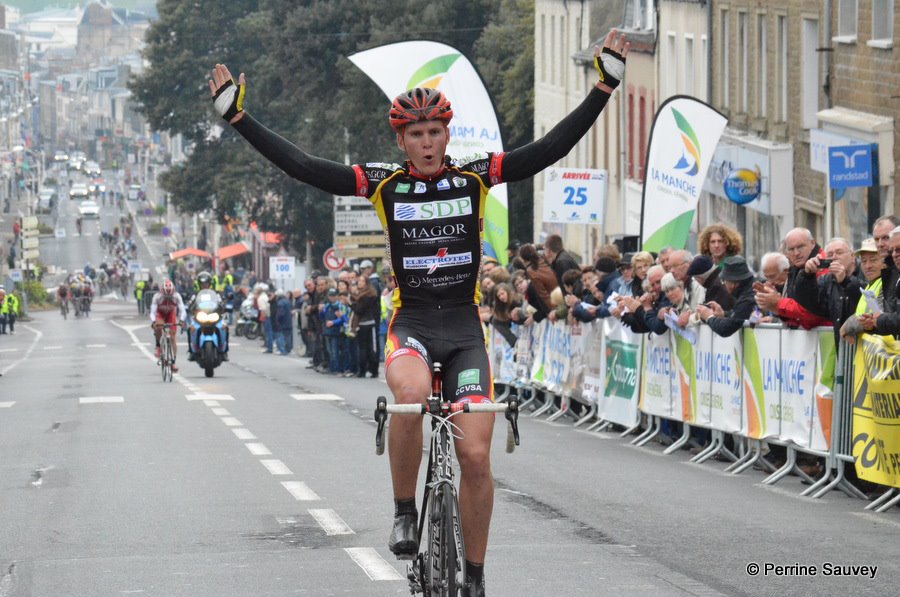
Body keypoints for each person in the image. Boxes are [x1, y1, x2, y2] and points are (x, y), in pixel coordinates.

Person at [210, 30, 628, 595]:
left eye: (435, 132)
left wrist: (603, 86)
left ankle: (474, 575)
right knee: (409, 401)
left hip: (463, 329)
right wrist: (238, 118)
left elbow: (549, 149)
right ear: (401, 140)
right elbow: (303, 165)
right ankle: (405, 509)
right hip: (412, 324)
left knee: (476, 455)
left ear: (446, 134)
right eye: (416, 134)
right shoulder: (384, 183)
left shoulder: (476, 175)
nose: (427, 142)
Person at [695, 256, 757, 337]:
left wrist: (709, 317)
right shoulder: (748, 291)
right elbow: (739, 315)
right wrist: (723, 314)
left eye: (724, 281)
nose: (723, 284)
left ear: (733, 284)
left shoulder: (747, 299)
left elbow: (725, 329)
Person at [840, 238, 885, 342]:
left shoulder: (885, 284)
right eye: (864, 261)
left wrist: (848, 326)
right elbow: (863, 313)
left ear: (884, 259)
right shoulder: (871, 284)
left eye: (873, 260)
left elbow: (877, 316)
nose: (868, 266)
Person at [149, 279, 186, 371]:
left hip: (170, 314)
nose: (168, 298)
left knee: (173, 336)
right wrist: (154, 322)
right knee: (159, 327)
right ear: (162, 292)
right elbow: (152, 312)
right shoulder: (157, 297)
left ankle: (173, 362)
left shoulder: (177, 296)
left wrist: (181, 321)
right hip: (160, 313)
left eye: (170, 296)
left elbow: (183, 311)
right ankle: (158, 345)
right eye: (166, 296)